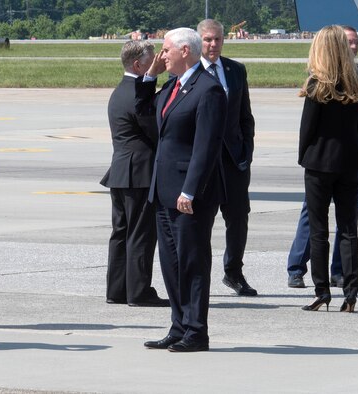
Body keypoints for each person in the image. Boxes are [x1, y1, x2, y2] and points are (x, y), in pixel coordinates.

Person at [139, 28, 227, 351]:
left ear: (184, 51)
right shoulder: (172, 87)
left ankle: (196, 331)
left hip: (189, 196)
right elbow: (143, 112)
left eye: (165, 50)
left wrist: (189, 191)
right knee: (171, 263)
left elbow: (206, 147)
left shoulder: (208, 90)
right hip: (164, 192)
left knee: (192, 261)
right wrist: (150, 75)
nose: (162, 56)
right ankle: (178, 325)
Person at [287, 25, 358, 289]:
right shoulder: (323, 76)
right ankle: (297, 267)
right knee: (313, 216)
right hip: (337, 155)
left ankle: (338, 273)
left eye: (354, 42)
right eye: (347, 42)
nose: (352, 47)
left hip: (353, 154)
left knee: (347, 220)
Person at [298, 25, 358, 313]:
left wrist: (305, 157)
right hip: (351, 160)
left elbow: (307, 130)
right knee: (349, 229)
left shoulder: (317, 85)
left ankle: (322, 290)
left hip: (319, 163)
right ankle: (350, 292)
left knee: (319, 230)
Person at [100, 40, 169, 307]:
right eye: (152, 60)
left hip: (121, 172)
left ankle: (117, 289)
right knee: (141, 233)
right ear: (138, 64)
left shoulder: (121, 90)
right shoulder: (135, 94)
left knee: (121, 232)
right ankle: (138, 291)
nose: (157, 63)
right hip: (139, 173)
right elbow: (155, 130)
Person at [197, 19, 257, 296]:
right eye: (208, 40)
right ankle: (199, 275)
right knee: (202, 220)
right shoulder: (189, 72)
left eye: (217, 39)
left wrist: (247, 151)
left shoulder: (235, 70)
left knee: (238, 217)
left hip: (234, 160)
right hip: (204, 162)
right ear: (199, 41)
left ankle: (234, 272)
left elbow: (245, 115)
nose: (213, 45)